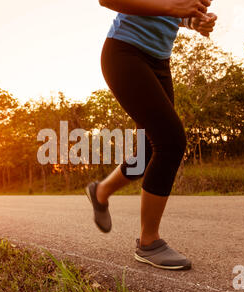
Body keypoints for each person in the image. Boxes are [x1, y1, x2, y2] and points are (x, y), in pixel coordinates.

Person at [85, 0, 217, 270]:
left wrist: (195, 22)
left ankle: (100, 192)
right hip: (125, 53)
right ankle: (149, 242)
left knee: (145, 153)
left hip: (159, 61)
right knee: (170, 142)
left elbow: (177, 16)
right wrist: (173, 7)